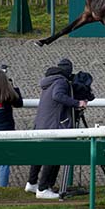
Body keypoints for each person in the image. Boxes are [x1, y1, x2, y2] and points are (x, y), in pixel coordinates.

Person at [25, 58, 88, 199]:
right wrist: (77, 103)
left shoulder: (50, 81)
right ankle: (43, 189)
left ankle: (32, 183)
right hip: (54, 123)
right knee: (54, 154)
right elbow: (58, 96)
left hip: (42, 123)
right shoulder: (61, 81)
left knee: (40, 154)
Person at [0, 67, 23, 187]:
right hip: (6, 131)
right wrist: (12, 87)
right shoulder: (7, 95)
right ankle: (3, 187)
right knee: (4, 163)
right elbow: (19, 103)